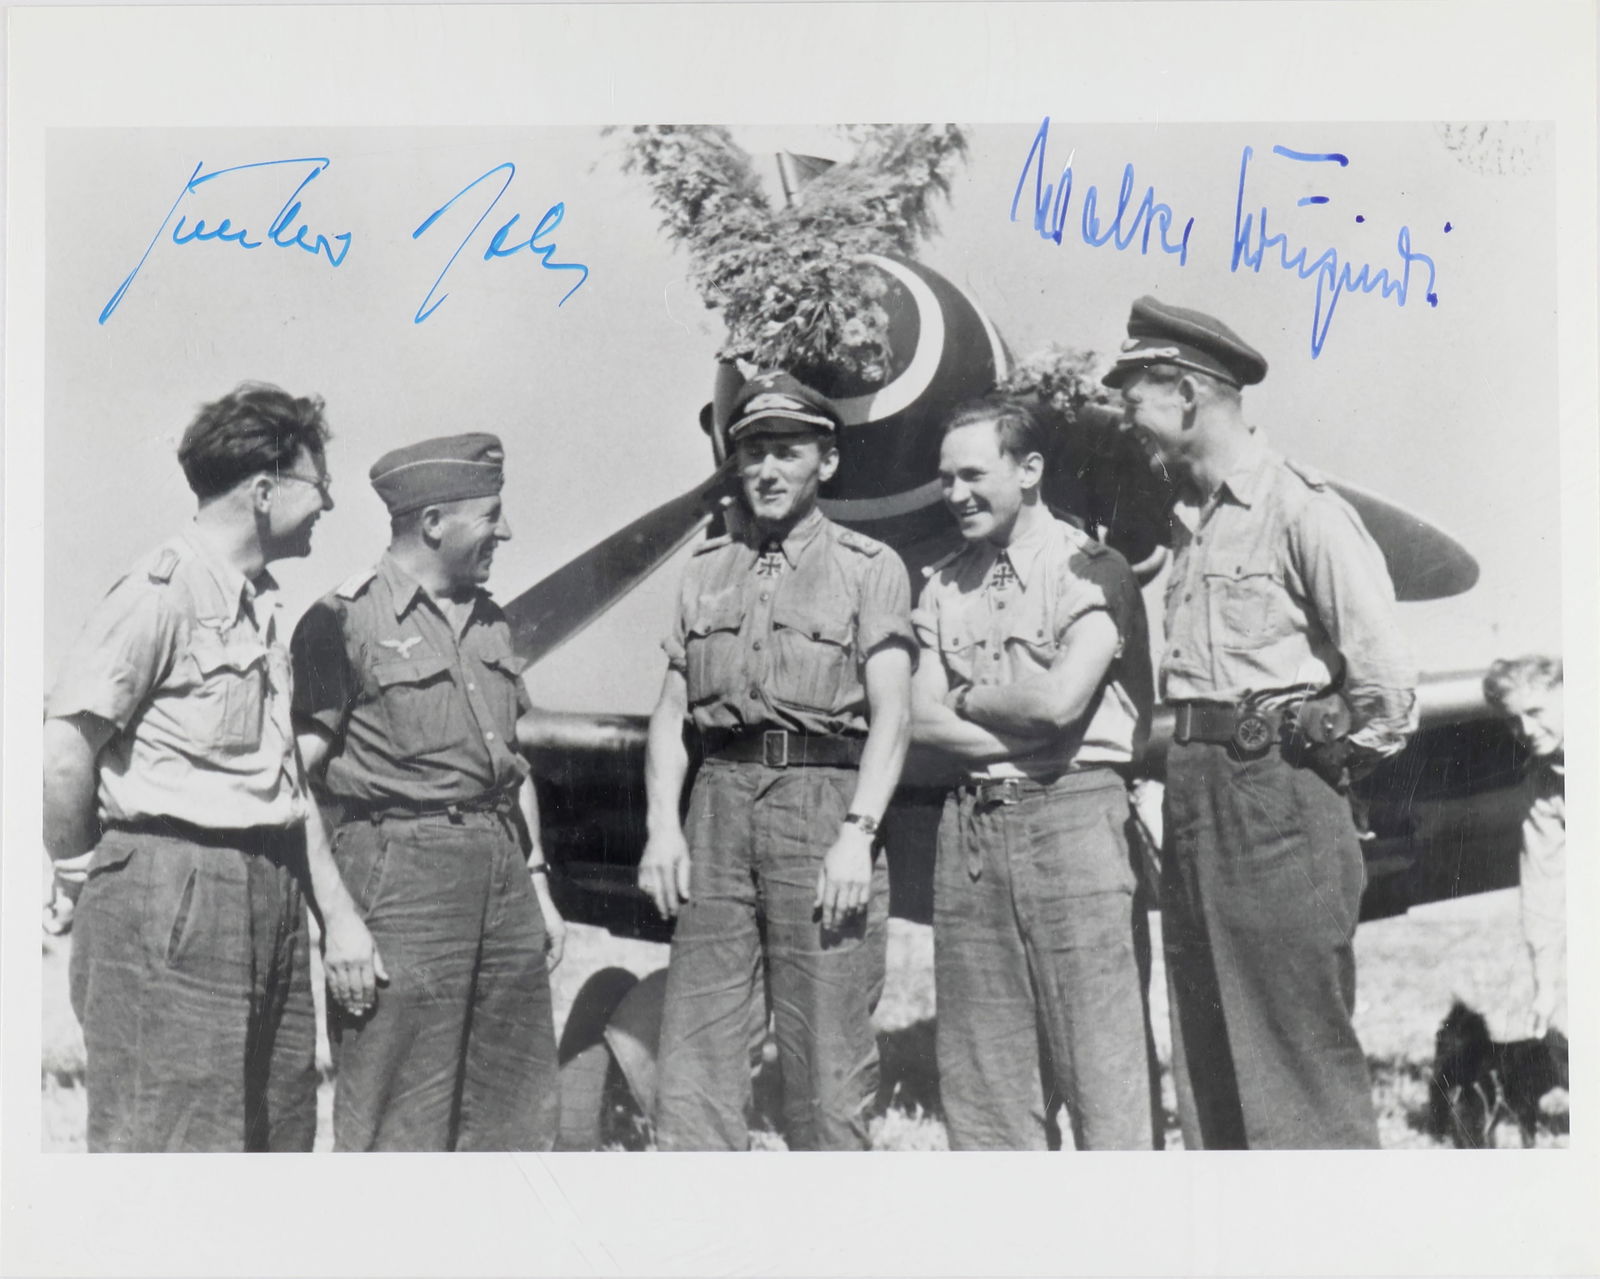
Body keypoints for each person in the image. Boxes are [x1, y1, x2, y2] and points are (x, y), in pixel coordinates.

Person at [1106, 295, 1418, 1149]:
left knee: (1296, 1059)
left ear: (1187, 394)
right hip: (1195, 795)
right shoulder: (1189, 524)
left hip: (1277, 798)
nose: (1127, 418)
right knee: (1209, 1062)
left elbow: (1388, 689)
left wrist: (1306, 762)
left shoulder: (1301, 509)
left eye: (1134, 397)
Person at [42, 382, 361, 1152]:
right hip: (174, 889)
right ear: (263, 492)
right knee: (170, 1148)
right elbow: (63, 751)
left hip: (267, 887)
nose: (328, 502)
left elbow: (279, 779)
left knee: (273, 1136)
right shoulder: (162, 591)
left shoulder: (257, 603)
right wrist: (84, 870)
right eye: (319, 483)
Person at [637, 370, 915, 1150]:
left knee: (827, 1072)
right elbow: (670, 713)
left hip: (822, 807)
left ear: (826, 461)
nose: (766, 469)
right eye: (753, 450)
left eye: (787, 451)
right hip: (717, 807)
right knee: (694, 1069)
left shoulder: (870, 566)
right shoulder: (704, 571)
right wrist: (663, 828)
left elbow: (894, 715)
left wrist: (858, 833)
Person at [289, 433, 566, 1151]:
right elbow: (291, 781)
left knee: (512, 1103)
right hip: (401, 879)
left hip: (502, 872)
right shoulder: (339, 621)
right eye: (491, 515)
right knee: (399, 1115)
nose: (505, 531)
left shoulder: (493, 620)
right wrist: (339, 920)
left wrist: (536, 883)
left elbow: (511, 766)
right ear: (434, 522)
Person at [909, 395, 1159, 1150]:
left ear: (1029, 470)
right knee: (985, 1084)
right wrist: (1013, 733)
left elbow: (1057, 703)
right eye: (945, 479)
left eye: (973, 475)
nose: (955, 494)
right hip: (972, 834)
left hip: (1073, 821)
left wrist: (963, 700)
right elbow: (915, 720)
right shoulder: (942, 583)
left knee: (1104, 1077)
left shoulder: (1091, 569)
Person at [1483, 655, 1567, 1073]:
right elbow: (1543, 887)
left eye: (1536, 712)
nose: (1527, 731)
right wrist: (1545, 987)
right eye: (1514, 721)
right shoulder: (1542, 782)